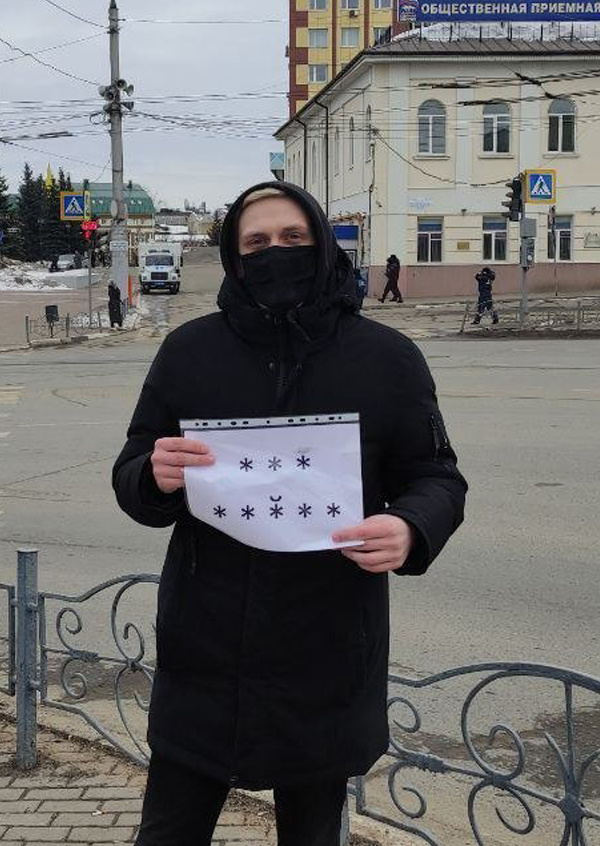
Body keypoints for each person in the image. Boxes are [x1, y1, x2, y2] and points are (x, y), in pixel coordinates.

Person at [113, 181, 466, 846]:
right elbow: (132, 470)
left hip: (325, 655)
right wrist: (151, 477)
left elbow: (435, 477)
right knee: (166, 835)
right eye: (257, 243)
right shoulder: (189, 353)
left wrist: (410, 526)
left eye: (292, 240)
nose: (275, 253)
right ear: (234, 256)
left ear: (321, 246)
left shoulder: (386, 360)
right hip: (204, 650)